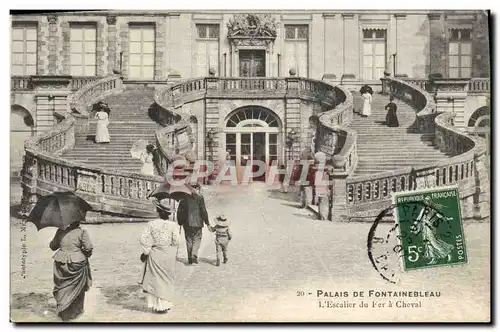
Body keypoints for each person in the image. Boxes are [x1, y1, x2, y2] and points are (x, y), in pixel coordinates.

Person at [139, 199, 179, 313]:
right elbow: (176, 241)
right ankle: (166, 302)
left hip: (155, 253)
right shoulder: (173, 225)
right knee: (167, 278)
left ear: (158, 211)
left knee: (156, 278)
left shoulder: (151, 224)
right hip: (168, 254)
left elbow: (143, 239)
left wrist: (146, 251)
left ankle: (157, 304)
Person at [50, 221, 93, 321]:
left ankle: (63, 310)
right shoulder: (82, 232)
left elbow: (53, 246)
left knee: (62, 285)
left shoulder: (60, 231)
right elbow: (89, 247)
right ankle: (75, 311)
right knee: (79, 286)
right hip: (77, 261)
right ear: (78, 222)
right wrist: (85, 253)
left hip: (60, 260)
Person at [177, 184, 210, 264]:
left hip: (187, 223)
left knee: (189, 240)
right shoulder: (200, 197)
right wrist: (207, 222)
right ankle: (194, 254)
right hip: (198, 223)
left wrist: (180, 221)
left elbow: (179, 212)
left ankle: (190, 259)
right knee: (197, 239)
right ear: (197, 188)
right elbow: (203, 211)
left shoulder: (183, 198)